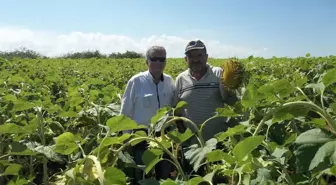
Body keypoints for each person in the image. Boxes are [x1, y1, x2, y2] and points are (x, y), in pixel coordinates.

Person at [173, 40, 239, 175]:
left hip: (217, 141)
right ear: (186, 59)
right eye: (191, 56)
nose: (196, 59)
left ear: (206, 57)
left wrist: (231, 84)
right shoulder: (180, 79)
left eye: (199, 55)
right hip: (192, 144)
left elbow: (232, 101)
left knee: (218, 178)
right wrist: (184, 137)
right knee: (192, 178)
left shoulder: (219, 73)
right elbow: (176, 110)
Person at [120, 45, 175, 184]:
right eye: (154, 59)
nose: (158, 63)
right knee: (143, 174)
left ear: (165, 62)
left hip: (163, 135)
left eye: (161, 59)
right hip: (141, 136)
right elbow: (125, 111)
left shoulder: (169, 81)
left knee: (164, 172)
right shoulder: (136, 81)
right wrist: (125, 139)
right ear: (147, 61)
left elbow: (173, 108)